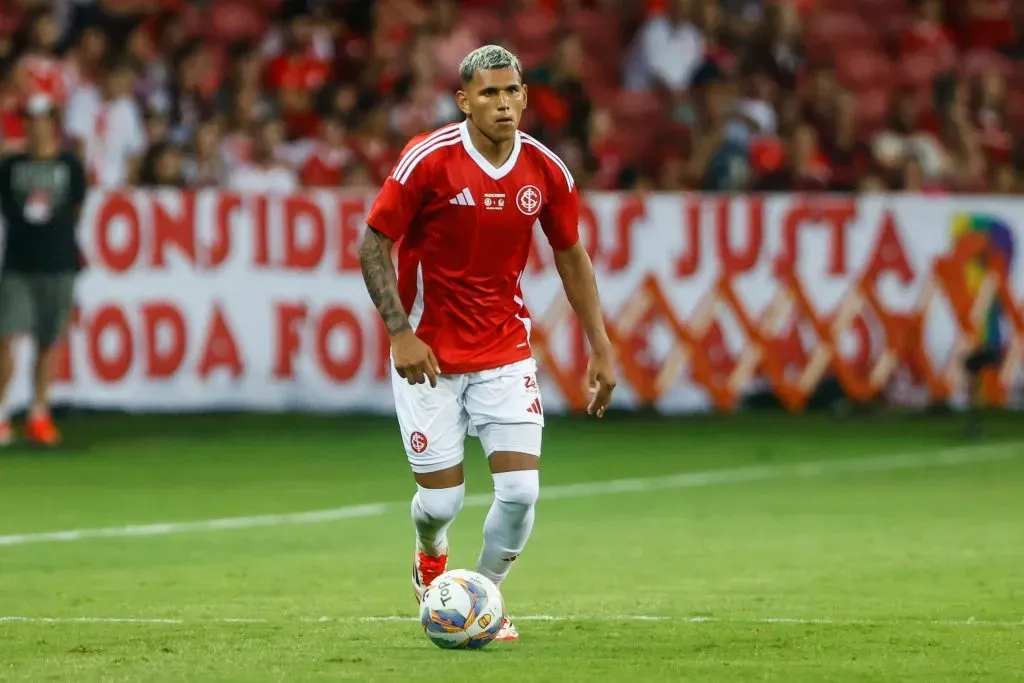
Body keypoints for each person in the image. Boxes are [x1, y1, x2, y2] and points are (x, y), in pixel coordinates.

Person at [359, 45, 616, 642]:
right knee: (440, 504)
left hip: (504, 349)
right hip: (430, 357)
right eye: (489, 94)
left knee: (522, 492)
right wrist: (399, 332)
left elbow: (571, 254)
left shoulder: (547, 171)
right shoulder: (429, 160)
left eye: (511, 92)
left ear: (525, 96)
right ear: (464, 101)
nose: (502, 104)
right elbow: (372, 243)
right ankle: (431, 554)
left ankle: (480, 600)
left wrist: (600, 344)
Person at [0, 94, 88, 446]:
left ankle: (39, 412)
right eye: (31, 120)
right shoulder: (10, 166)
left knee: (49, 342)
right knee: (6, 337)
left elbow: (78, 206)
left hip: (59, 262)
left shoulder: (70, 165)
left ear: (53, 124)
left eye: (42, 120)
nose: (36, 127)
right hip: (19, 264)